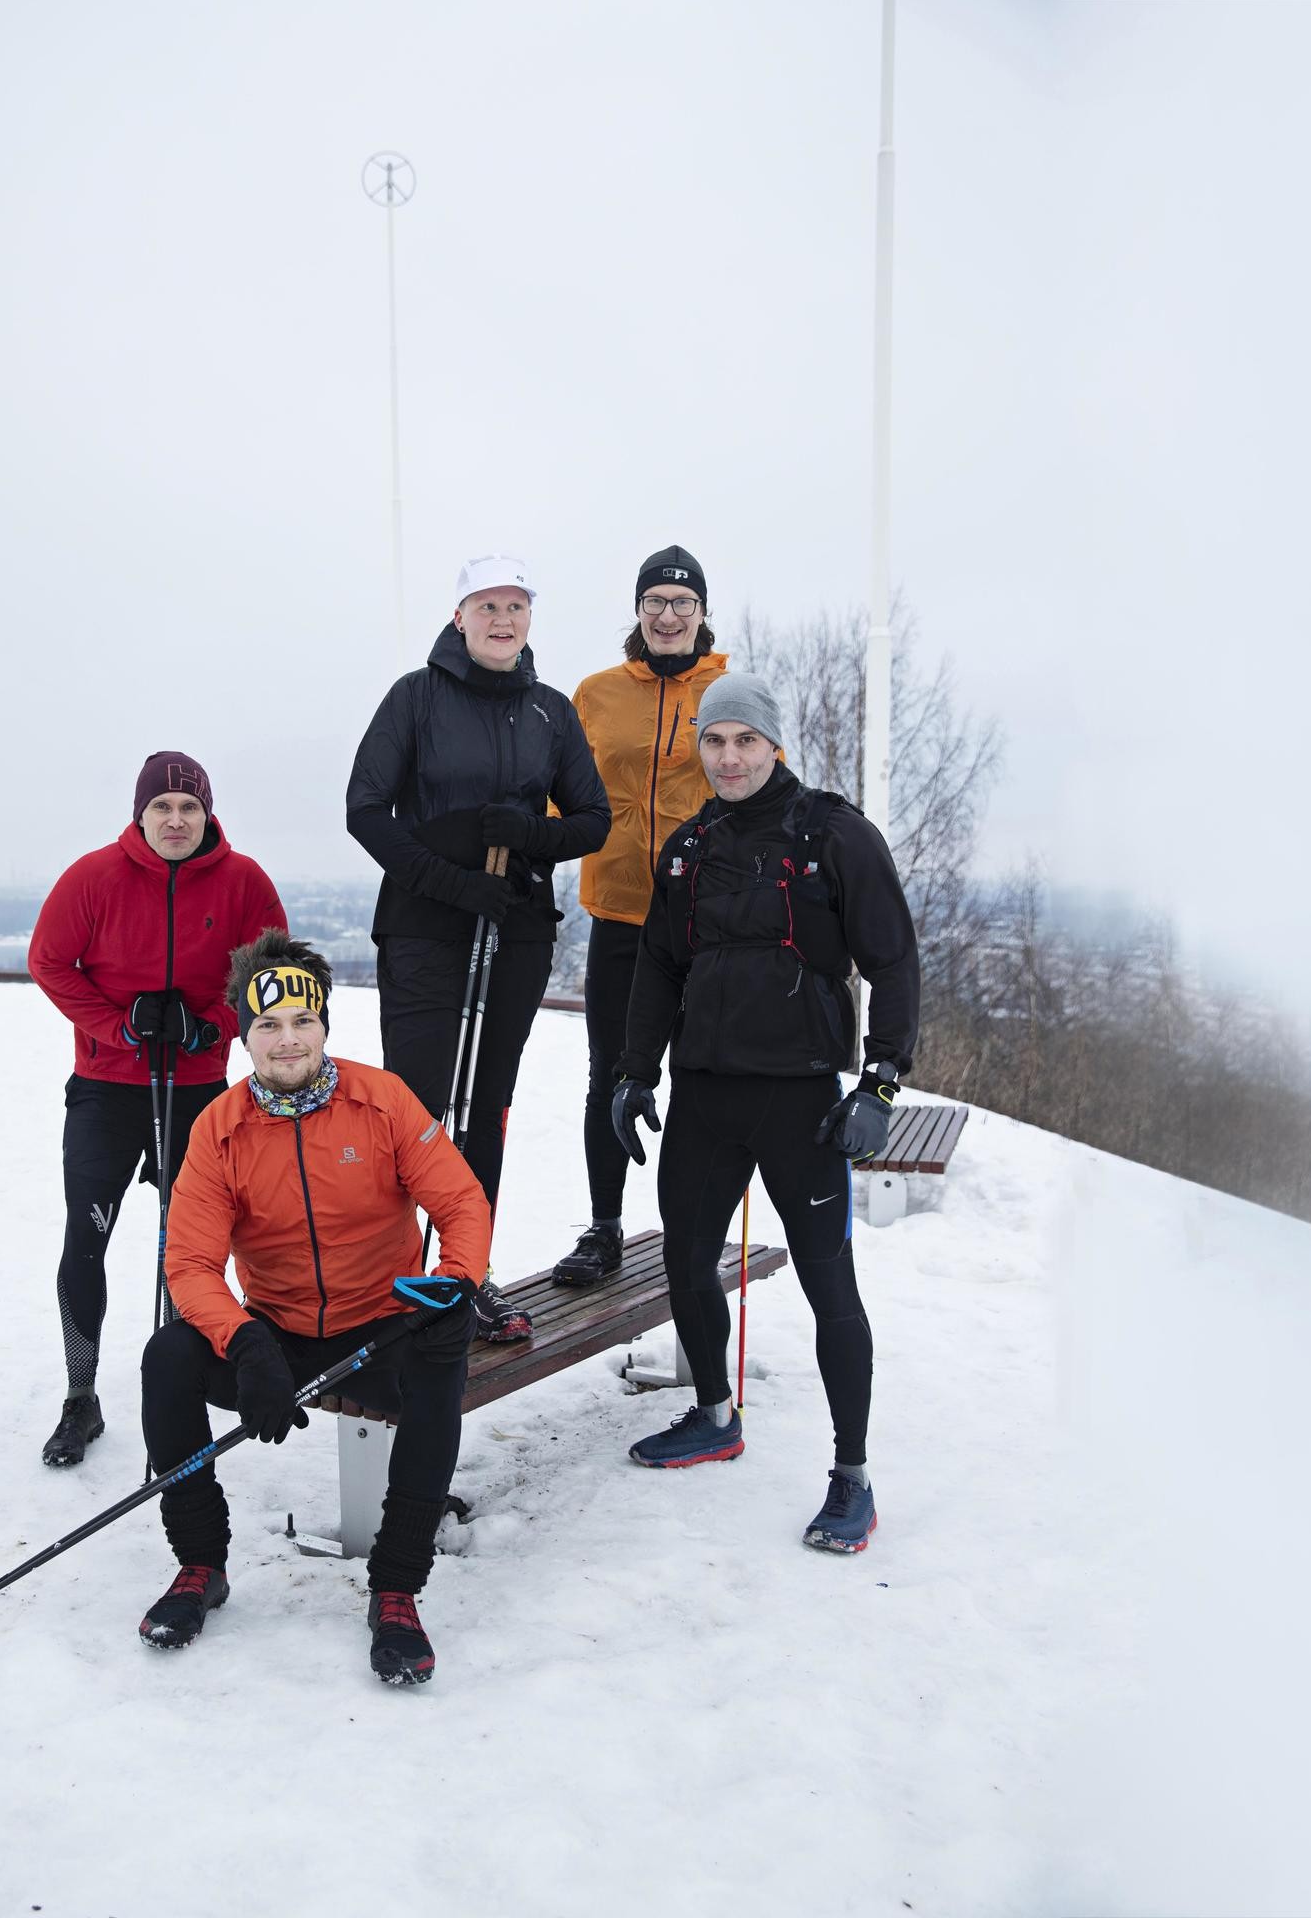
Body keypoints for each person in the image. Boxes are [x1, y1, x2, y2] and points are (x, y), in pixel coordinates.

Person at [610, 674, 920, 1553]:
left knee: (830, 1286)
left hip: (803, 1103)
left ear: (773, 744)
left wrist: (880, 1085)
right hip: (706, 1094)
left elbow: (894, 962)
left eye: (745, 740)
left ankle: (852, 1477)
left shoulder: (834, 836)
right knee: (685, 1260)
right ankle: (714, 1415)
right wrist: (635, 1073)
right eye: (715, 741)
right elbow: (657, 967)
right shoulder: (690, 847)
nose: (730, 757)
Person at [138, 930, 491, 1684]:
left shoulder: (382, 1100)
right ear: (245, 1037)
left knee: (442, 1352)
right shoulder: (219, 1130)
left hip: (383, 1327)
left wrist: (457, 1280)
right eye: (268, 1025)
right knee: (168, 1356)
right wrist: (244, 1344)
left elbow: (460, 1201)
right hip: (277, 1334)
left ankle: (396, 1588)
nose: (288, 1040)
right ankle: (200, 1565)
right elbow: (191, 1264)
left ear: (325, 1025)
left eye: (303, 1021)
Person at [346, 554, 610, 1342]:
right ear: (459, 617)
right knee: (417, 1108)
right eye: (487, 606)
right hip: (427, 928)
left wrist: (530, 833)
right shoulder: (416, 697)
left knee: (485, 1108)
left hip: (515, 927)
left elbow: (593, 820)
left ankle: (466, 1274)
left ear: (530, 618)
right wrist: (450, 883)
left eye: (515, 606)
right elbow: (366, 809)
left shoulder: (550, 712)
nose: (502, 620)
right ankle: (394, 1281)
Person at [28, 751, 285, 1468]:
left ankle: (183, 1384)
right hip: (107, 1088)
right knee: (85, 1240)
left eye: (189, 807)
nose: (176, 820)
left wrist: (210, 1026)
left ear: (208, 815)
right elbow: (48, 962)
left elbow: (270, 972)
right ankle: (81, 1396)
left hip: (198, 1089)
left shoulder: (244, 881)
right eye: (162, 807)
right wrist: (121, 1025)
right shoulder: (93, 877)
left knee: (190, 1247)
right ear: (140, 815)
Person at [553, 544, 731, 1287]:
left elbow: (761, 783)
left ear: (702, 613)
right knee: (611, 1074)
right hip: (621, 916)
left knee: (698, 1076)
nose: (668, 615)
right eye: (655, 601)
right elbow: (558, 792)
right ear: (637, 610)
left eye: (682, 603)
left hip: (706, 922)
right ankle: (603, 1228)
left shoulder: (729, 690)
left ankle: (691, 1228)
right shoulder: (595, 694)